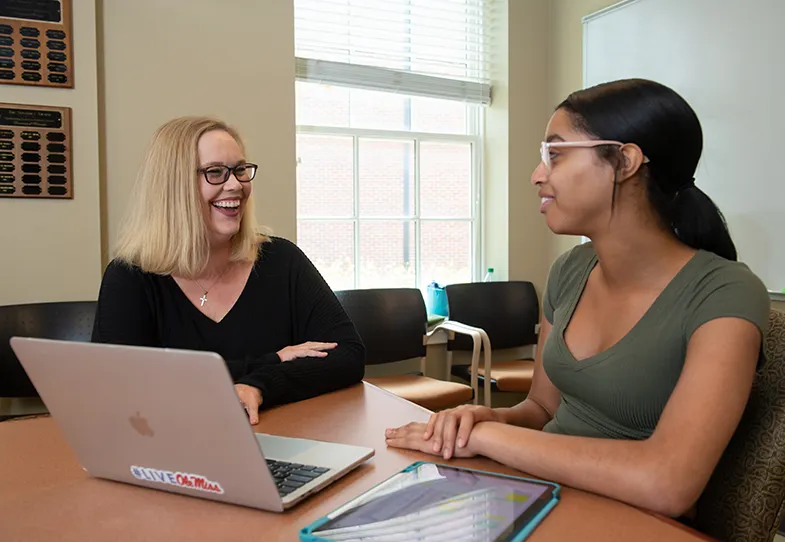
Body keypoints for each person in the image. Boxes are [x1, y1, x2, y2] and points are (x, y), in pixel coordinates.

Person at [384, 79, 770, 518]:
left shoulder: (725, 293)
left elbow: (667, 483)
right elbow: (542, 408)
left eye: (556, 153)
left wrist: (488, 439)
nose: (537, 174)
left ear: (624, 160)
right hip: (540, 496)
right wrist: (483, 419)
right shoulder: (570, 271)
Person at [92, 116, 365, 424]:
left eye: (239, 170)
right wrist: (272, 360)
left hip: (281, 442)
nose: (235, 185)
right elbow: (126, 385)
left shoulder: (282, 260)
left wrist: (260, 385)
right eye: (215, 172)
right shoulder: (129, 277)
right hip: (172, 453)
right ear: (173, 186)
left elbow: (348, 355)